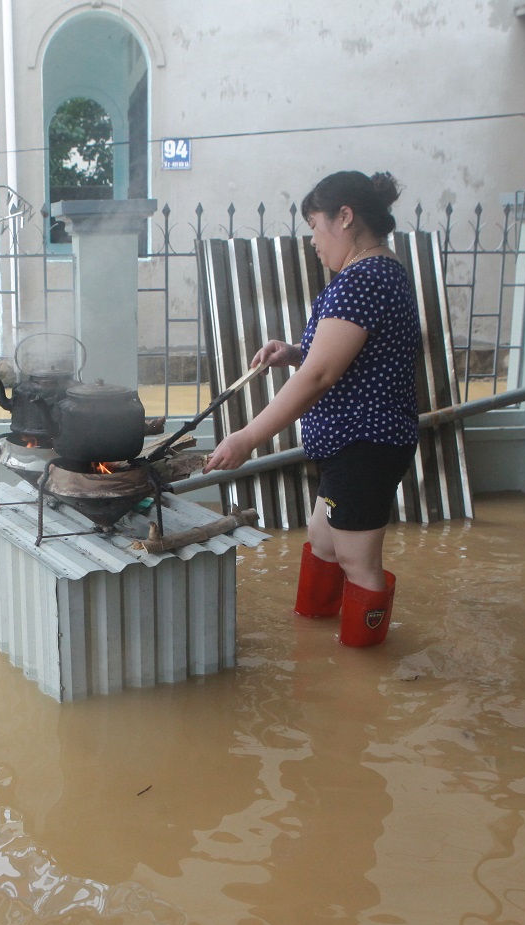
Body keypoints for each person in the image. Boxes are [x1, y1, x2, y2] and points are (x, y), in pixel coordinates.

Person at [203, 170, 420, 646]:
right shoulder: (382, 272)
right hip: (356, 444)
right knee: (324, 540)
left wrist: (246, 437)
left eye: (315, 228)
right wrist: (296, 352)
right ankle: (313, 636)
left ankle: (360, 674)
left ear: (345, 217)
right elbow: (350, 356)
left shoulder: (363, 280)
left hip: (366, 443)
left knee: (359, 563)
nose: (313, 243)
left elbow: (322, 376)